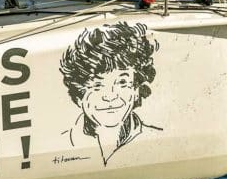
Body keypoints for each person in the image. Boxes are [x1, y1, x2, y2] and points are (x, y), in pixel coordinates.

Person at [59, 22, 162, 165]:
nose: (110, 96)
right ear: (79, 95)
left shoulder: (157, 138)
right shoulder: (61, 142)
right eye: (97, 85)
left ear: (136, 89)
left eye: (122, 83)